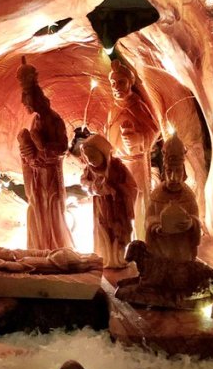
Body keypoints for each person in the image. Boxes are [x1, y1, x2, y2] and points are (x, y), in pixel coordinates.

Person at [17, 57, 74, 251]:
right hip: (37, 173)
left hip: (50, 173)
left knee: (53, 207)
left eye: (29, 105)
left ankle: (56, 245)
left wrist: (42, 147)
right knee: (39, 206)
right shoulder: (36, 120)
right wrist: (28, 154)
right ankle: (41, 244)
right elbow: (31, 145)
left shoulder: (55, 120)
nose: (28, 109)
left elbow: (63, 148)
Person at [105, 58, 158, 239]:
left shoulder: (137, 106)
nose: (116, 87)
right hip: (119, 163)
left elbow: (153, 130)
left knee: (138, 200)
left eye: (121, 82)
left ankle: (141, 238)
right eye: (113, 83)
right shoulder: (113, 109)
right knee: (123, 202)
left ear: (130, 83)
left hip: (136, 163)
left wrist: (139, 138)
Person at [80, 134, 137, 269]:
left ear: (103, 153)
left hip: (117, 208)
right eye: (88, 158)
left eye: (93, 156)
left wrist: (115, 189)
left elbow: (131, 186)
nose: (91, 161)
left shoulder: (116, 168)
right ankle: (105, 257)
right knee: (103, 231)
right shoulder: (89, 170)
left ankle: (119, 258)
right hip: (101, 208)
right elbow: (84, 183)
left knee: (118, 233)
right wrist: (94, 188)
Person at [145, 133, 200, 263]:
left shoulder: (188, 196)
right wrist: (156, 226)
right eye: (169, 171)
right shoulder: (157, 196)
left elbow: (196, 219)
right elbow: (148, 220)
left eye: (178, 171)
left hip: (183, 254)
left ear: (183, 172)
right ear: (164, 171)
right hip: (162, 253)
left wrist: (191, 223)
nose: (173, 177)